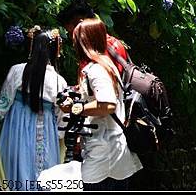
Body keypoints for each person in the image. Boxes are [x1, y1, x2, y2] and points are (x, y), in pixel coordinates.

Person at [59, 18, 142, 190]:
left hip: (104, 152)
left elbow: (108, 104)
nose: (74, 44)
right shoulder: (106, 64)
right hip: (109, 148)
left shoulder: (96, 69)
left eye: (76, 40)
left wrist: (78, 108)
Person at [0, 27, 68, 190]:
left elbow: (0, 108)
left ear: (32, 47)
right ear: (55, 51)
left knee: (12, 175)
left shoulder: (17, 71)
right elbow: (62, 121)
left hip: (15, 132)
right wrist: (59, 135)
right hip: (46, 133)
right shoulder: (58, 81)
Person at [56, 0, 131, 77]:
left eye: (72, 33)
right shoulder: (114, 43)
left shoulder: (94, 51)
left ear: (80, 23)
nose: (73, 39)